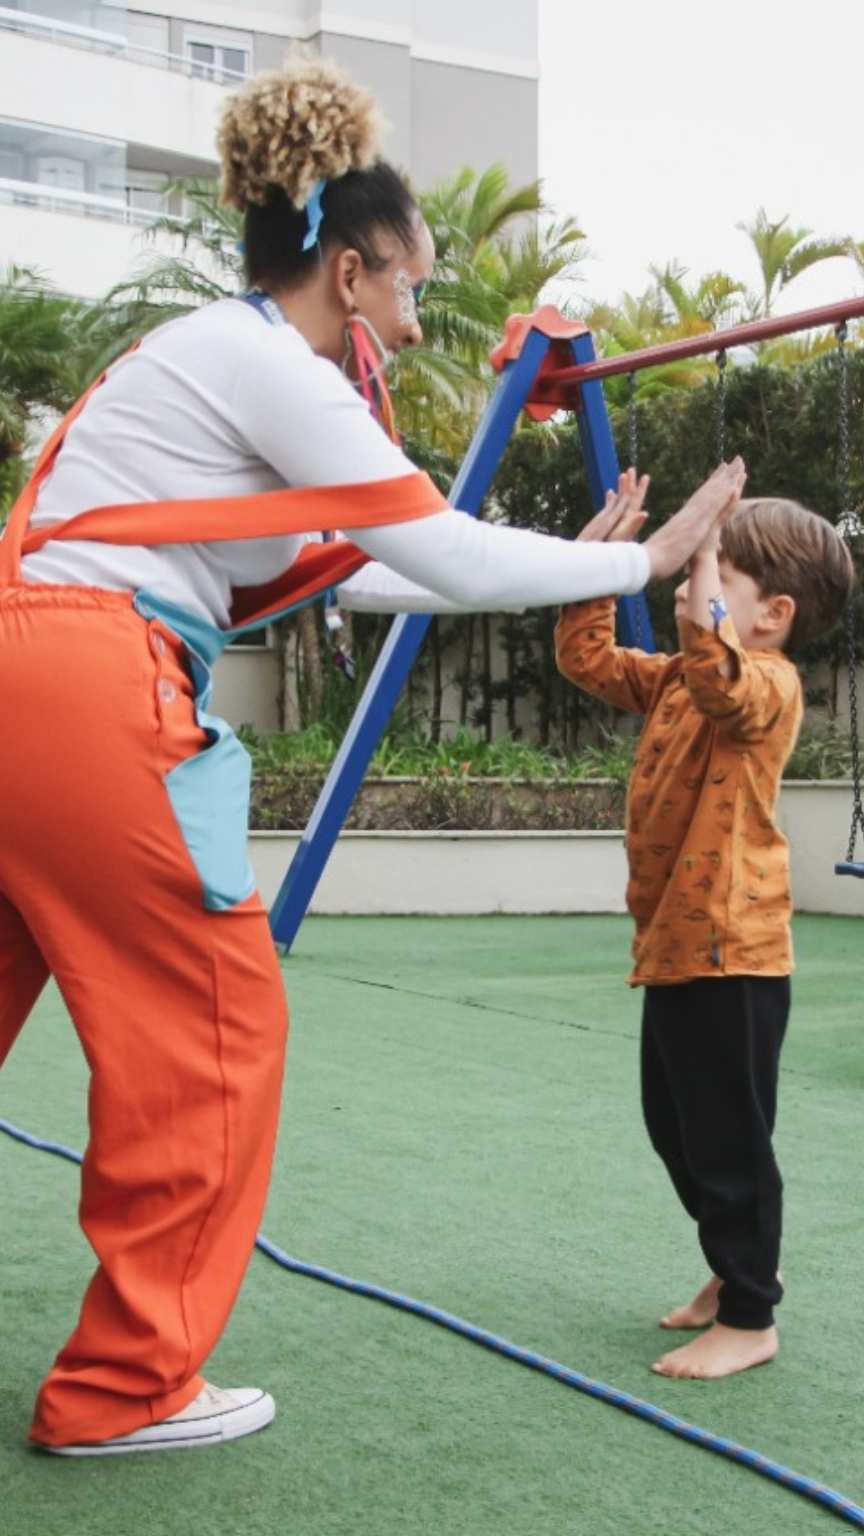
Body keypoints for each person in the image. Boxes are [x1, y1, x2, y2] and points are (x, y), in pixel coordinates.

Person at [1, 59, 743, 1457]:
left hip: (22, 659)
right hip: (88, 679)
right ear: (350, 272)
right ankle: (125, 1389)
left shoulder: (210, 363)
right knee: (214, 1029)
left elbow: (381, 576)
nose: (415, 316)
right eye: (410, 284)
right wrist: (643, 557)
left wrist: (550, 568)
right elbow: (435, 543)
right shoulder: (269, 363)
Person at [555, 471, 855, 1379]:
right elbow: (591, 662)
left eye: (716, 577)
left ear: (774, 615)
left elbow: (720, 675)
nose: (695, 585)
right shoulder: (685, 680)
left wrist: (703, 550)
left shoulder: (764, 682)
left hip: (735, 951)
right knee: (673, 1124)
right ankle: (733, 1277)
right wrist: (600, 566)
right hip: (678, 946)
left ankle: (753, 1315)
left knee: (728, 1137)